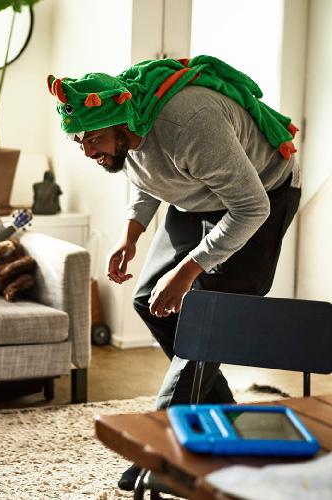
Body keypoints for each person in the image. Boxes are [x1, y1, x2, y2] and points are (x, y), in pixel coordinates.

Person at [48, 55, 301, 491]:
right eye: (79, 143)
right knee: (150, 300)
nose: (88, 152)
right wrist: (131, 234)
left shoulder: (190, 125)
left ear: (123, 125)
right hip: (198, 196)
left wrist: (188, 271)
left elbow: (251, 206)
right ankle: (224, 416)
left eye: (94, 140)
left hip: (259, 198)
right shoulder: (126, 129)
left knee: (206, 322)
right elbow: (145, 173)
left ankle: (157, 452)